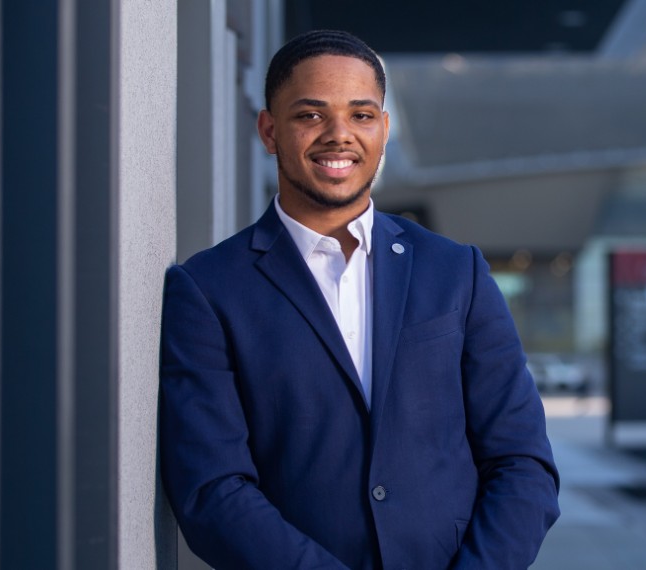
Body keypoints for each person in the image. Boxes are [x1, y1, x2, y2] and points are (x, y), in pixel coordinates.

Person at [158, 30, 560, 569]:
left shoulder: (454, 272)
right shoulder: (208, 289)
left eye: (362, 115)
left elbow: (522, 461)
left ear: (385, 130)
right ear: (269, 131)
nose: (339, 135)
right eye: (310, 115)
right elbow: (212, 490)